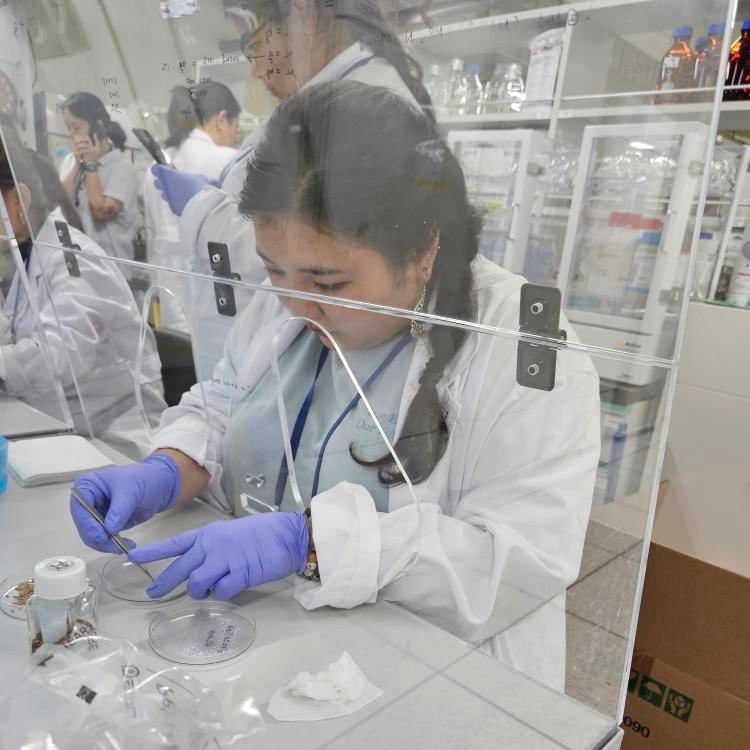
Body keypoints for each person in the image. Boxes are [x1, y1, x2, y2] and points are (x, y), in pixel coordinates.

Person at [70, 82, 601, 690]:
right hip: (276, 655)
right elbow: (224, 403)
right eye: (273, 269)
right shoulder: (292, 295)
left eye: (329, 284)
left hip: (426, 680)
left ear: (423, 250)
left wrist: (312, 543)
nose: (295, 305)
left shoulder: (519, 348)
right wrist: (168, 465)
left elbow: (517, 566)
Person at [152, 0, 434, 376]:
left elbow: (300, 248)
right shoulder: (322, 100)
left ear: (304, 12)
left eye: (254, 45)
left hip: (298, 354)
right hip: (257, 349)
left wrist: (202, 211)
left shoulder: (360, 105)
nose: (255, 70)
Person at [0, 116, 167, 459]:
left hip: (115, 445)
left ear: (18, 200)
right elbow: (15, 331)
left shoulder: (74, 261)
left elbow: (60, 354)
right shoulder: (31, 256)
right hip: (65, 427)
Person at [143, 83, 241, 331]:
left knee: (177, 350)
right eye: (236, 128)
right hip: (216, 296)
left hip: (168, 290)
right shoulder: (228, 161)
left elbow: (152, 236)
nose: (234, 137)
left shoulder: (154, 168)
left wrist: (156, 291)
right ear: (222, 119)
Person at [60, 91, 140, 265]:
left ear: (98, 127)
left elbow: (100, 211)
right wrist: (77, 165)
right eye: (68, 127)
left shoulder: (123, 168)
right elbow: (60, 204)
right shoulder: (71, 160)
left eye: (76, 127)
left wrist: (91, 166)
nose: (72, 134)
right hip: (79, 262)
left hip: (112, 266)